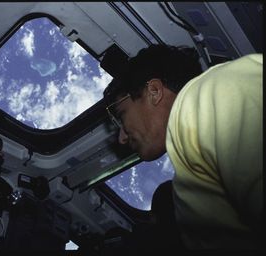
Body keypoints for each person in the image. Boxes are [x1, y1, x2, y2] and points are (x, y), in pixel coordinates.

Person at [103, 44, 262, 249]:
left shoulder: (215, 94)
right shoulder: (189, 152)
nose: (122, 138)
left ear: (154, 91)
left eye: (121, 115)